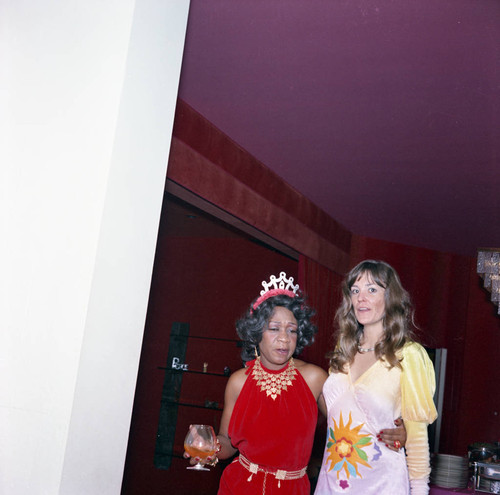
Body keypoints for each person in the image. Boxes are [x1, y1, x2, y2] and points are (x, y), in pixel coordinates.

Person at [185, 271, 407, 494]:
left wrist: (399, 434)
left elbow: (354, 425)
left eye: (291, 330)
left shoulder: (314, 379)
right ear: (256, 333)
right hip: (238, 485)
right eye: (274, 328)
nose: (284, 338)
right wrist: (209, 447)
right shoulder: (238, 382)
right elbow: (227, 443)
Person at [314, 260, 437, 495]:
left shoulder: (409, 355)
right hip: (332, 481)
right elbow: (339, 410)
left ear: (390, 298)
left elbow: (418, 441)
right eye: (355, 290)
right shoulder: (344, 348)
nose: (361, 298)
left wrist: (420, 490)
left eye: (372, 290)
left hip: (382, 484)